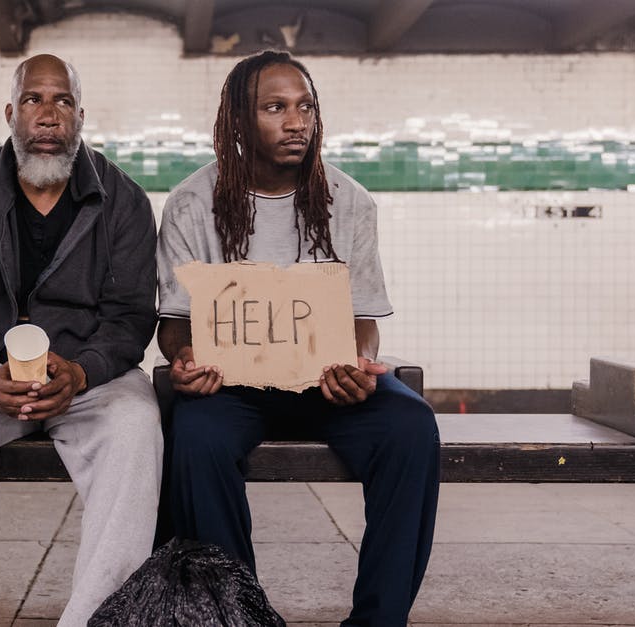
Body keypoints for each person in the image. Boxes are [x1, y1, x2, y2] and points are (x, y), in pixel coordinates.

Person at [156, 50, 440, 627]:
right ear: (238, 121)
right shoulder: (190, 202)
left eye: (305, 106)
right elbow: (173, 325)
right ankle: (239, 616)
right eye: (275, 108)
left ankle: (378, 620)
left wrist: (359, 363)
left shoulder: (349, 200)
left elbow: (363, 319)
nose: (296, 122)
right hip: (231, 385)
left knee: (412, 426)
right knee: (193, 436)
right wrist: (184, 358)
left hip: (324, 383)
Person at [0, 54, 162, 626]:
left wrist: (83, 371)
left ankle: (94, 620)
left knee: (137, 427)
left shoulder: (125, 202)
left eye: (62, 101)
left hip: (90, 380)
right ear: (10, 114)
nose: (48, 115)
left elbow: (132, 315)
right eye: (33, 100)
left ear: (81, 116)